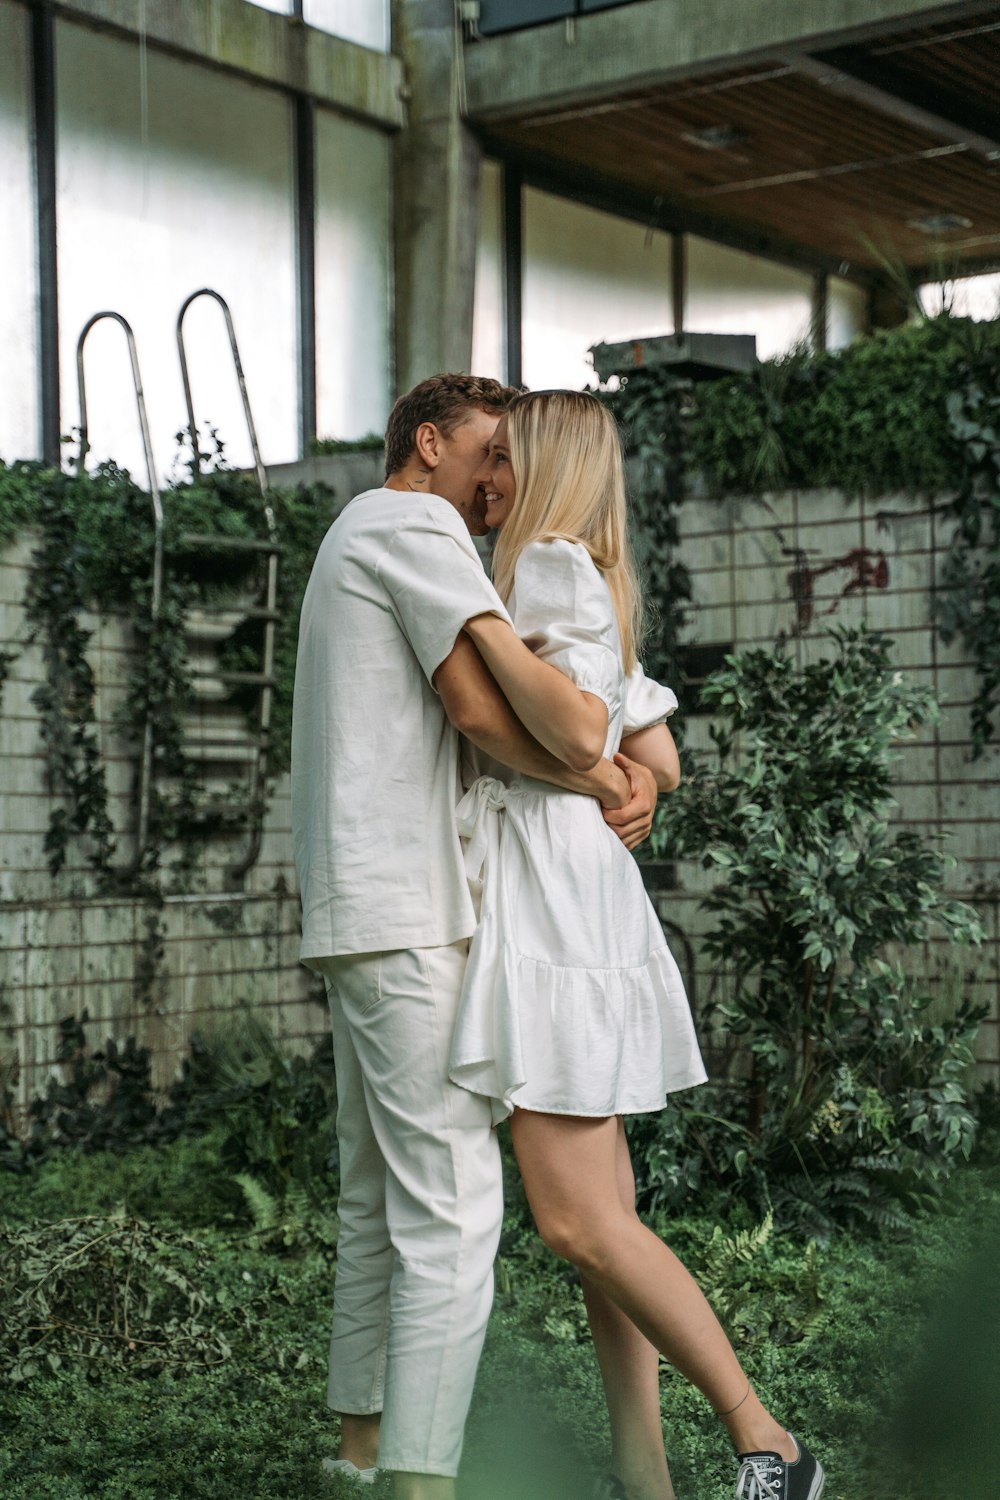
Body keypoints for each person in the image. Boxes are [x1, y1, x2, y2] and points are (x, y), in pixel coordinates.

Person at [290, 375, 666, 1500]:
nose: (497, 479)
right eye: (487, 451)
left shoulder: (359, 531)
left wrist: (630, 763)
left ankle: (360, 1453)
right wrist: (608, 773)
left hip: (360, 904)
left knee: (375, 1191)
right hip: (407, 905)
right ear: (429, 443)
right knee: (455, 1204)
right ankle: (421, 1480)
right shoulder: (414, 521)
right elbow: (477, 708)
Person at [448, 389, 826, 1500]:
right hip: (578, 891)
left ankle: (771, 1442)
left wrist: (590, 760)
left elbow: (569, 726)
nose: (489, 480)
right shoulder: (585, 573)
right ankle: (642, 1476)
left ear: (554, 470)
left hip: (554, 902)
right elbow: (657, 750)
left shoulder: (542, 568)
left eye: (508, 460)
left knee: (575, 1219)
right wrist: (629, 778)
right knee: (599, 1220)